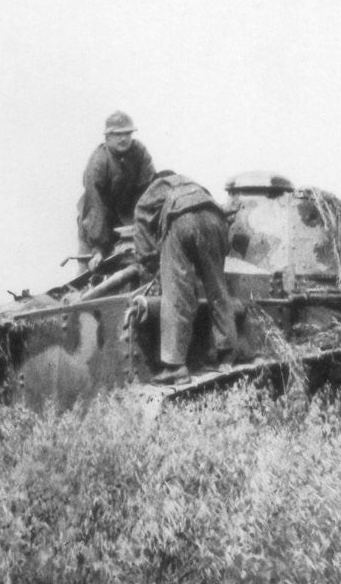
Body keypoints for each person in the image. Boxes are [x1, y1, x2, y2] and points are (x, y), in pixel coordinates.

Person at [134, 171, 237, 384]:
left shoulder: (157, 186)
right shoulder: (195, 184)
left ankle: (175, 366)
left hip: (182, 219)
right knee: (218, 289)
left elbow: (140, 214)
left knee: (176, 294)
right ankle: (227, 354)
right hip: (215, 221)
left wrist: (148, 259)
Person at [76, 110, 156, 271]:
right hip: (95, 223)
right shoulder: (98, 161)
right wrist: (97, 248)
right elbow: (94, 207)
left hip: (128, 222)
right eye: (118, 134)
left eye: (127, 133)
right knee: (89, 276)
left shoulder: (140, 152)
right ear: (107, 138)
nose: (123, 138)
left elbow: (150, 191)